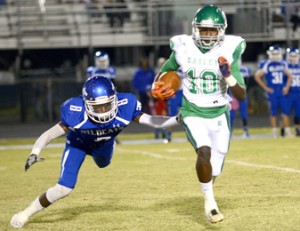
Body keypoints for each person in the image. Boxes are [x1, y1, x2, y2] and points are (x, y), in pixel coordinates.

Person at [10, 76, 178, 229]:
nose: (104, 111)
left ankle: (108, 146)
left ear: (115, 100)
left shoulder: (126, 105)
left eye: (107, 105)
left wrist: (177, 119)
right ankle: (25, 214)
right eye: (97, 107)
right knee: (64, 188)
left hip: (103, 146)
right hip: (78, 144)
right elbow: (49, 134)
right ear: (86, 104)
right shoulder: (75, 111)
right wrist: (35, 152)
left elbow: (152, 120)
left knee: (103, 164)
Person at [151, 5, 246, 223]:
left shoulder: (230, 49)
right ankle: (210, 204)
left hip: (220, 112)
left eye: (213, 30)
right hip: (192, 109)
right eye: (204, 30)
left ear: (221, 31)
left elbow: (241, 95)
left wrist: (228, 76)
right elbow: (165, 71)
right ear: (196, 29)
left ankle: (208, 191)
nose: (208, 35)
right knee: (203, 151)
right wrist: (158, 85)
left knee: (217, 161)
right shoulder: (184, 47)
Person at [254, 45, 293, 138]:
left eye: (277, 54)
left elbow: (290, 76)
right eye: (274, 54)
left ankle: (287, 131)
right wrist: (266, 88)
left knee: (285, 111)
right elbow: (257, 76)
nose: (275, 56)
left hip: (281, 90)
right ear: (270, 54)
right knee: (273, 112)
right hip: (272, 91)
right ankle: (274, 132)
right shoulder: (267, 64)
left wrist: (287, 87)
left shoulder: (283, 64)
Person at [229, 63, 251, 137]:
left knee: (244, 113)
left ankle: (245, 130)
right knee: (231, 114)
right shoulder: (228, 68)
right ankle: (231, 131)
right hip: (232, 95)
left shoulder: (245, 69)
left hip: (242, 94)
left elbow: (247, 83)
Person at [285, 47, 300, 136]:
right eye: (291, 56)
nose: (293, 58)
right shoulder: (285, 66)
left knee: (298, 112)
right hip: (288, 92)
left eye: (295, 56)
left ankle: (297, 129)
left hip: (298, 91)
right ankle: (284, 129)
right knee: (285, 111)